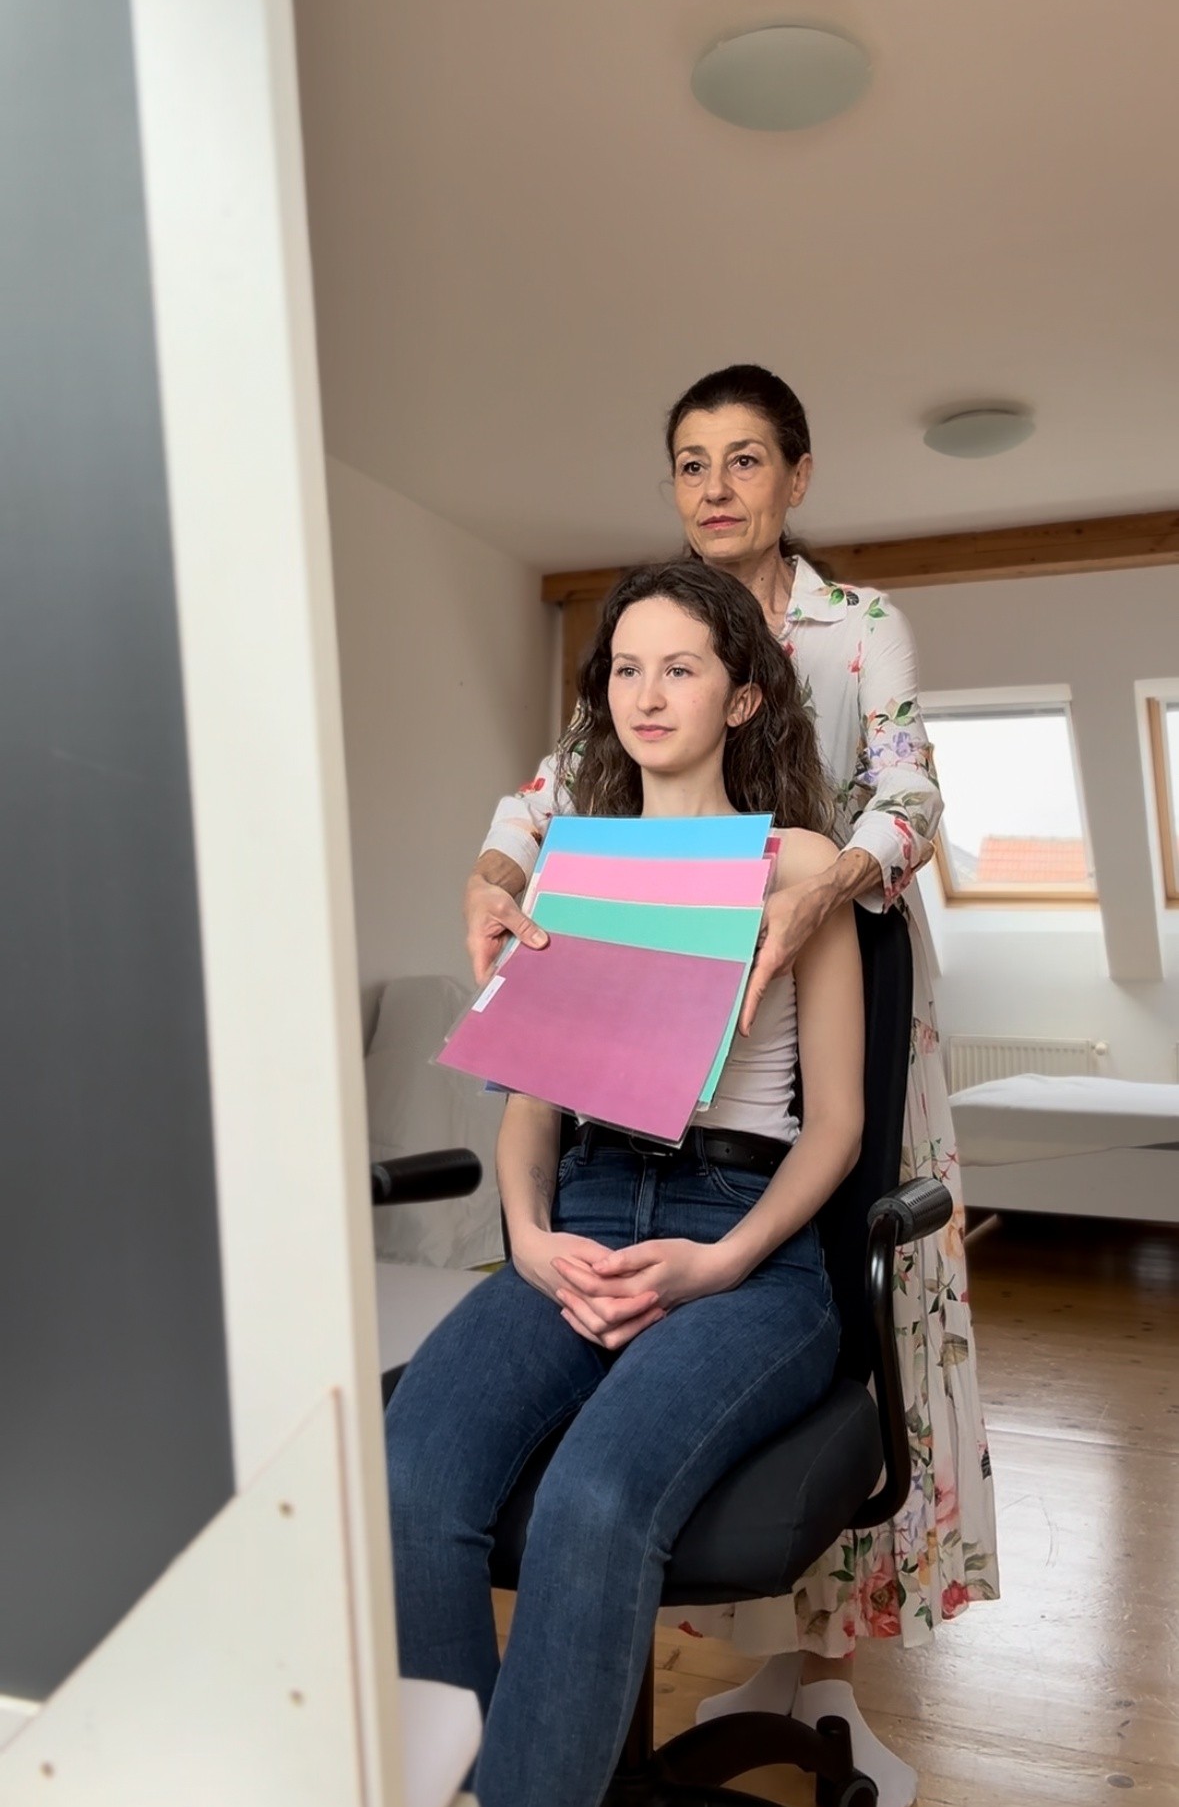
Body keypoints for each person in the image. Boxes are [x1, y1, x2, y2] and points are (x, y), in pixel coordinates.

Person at [464, 365, 999, 1807]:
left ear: (796, 477)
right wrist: (499, 873)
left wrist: (822, 883)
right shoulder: (656, 642)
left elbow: (909, 789)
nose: (715, 485)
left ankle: (825, 1666)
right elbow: (542, 794)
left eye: (745, 458)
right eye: (690, 461)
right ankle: (714, 1662)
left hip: (811, 991)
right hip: (639, 1074)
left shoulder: (855, 626)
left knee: (846, 1287)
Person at [386, 560, 865, 1807]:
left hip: (745, 1247)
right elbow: (531, 1106)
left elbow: (838, 1127)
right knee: (409, 1469)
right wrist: (527, 1235)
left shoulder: (800, 867)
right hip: (583, 1216)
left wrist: (722, 1261)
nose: (647, 695)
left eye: (682, 668)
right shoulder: (569, 867)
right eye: (627, 669)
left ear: (743, 697)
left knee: (595, 1498)